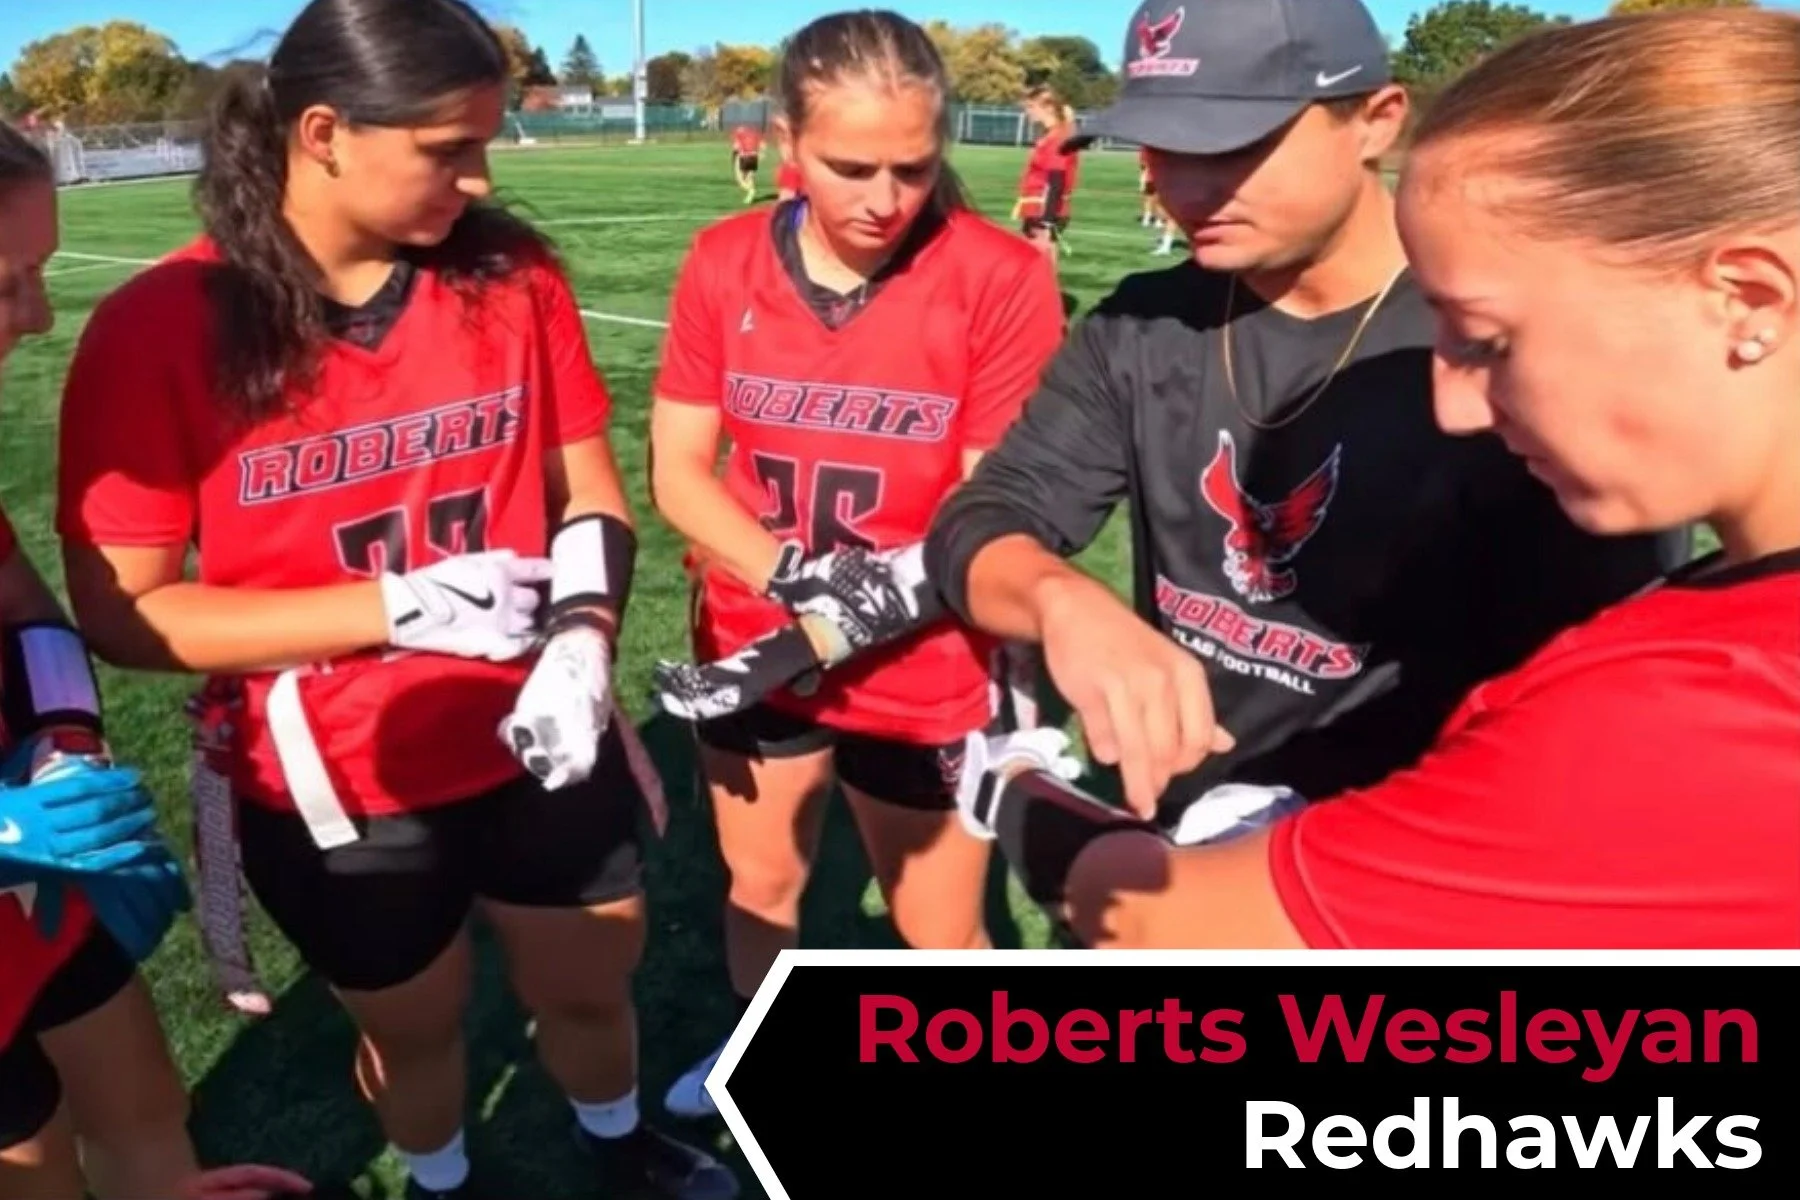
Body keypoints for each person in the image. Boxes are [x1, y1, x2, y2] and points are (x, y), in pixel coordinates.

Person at [51, 3, 734, 1199]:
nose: (478, 177)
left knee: (589, 978)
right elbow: (126, 610)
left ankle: (619, 1142)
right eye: (446, 147)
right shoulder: (158, 326)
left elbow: (592, 493)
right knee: (414, 1028)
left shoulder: (511, 278)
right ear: (322, 132)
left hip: (538, 734)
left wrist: (584, 636)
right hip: (333, 774)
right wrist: (396, 609)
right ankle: (442, 1178)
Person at [950, 5, 1800, 951]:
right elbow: (989, 516)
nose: (1455, 401)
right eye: (1159, 148)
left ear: (1378, 118)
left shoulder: (1710, 690)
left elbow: (1164, 920)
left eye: (1488, 341)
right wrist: (1062, 600)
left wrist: (1015, 786)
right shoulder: (1145, 326)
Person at [647, 9, 1065, 1120]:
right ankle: (758, 1050)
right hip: (754, 642)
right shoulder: (723, 259)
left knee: (936, 923)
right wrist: (792, 579)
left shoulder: (1001, 276)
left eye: (914, 168)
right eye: (850, 166)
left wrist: (857, 604)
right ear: (784, 134)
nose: (885, 199)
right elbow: (682, 472)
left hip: (924, 656)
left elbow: (992, 503)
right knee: (763, 883)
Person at [0, 121, 312, 1200]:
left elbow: (17, 598)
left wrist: (61, 748)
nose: (37, 318)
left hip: (28, 893)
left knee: (146, 1114)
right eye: (5, 284)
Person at [1011, 85, 1081, 262]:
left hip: (1043, 208)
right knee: (1033, 259)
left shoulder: (1058, 137)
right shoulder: (1055, 134)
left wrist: (1047, 220)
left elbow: (1056, 178)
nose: (1028, 112)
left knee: (1039, 260)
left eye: (1032, 107)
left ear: (1048, 108)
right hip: (1039, 207)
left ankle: (1047, 290)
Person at [729, 125, 761, 205]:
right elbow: (761, 145)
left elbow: (736, 147)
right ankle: (750, 194)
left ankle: (750, 190)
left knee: (740, 178)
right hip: (754, 156)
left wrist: (733, 157)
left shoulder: (738, 135)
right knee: (749, 177)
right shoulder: (754, 133)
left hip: (744, 157)